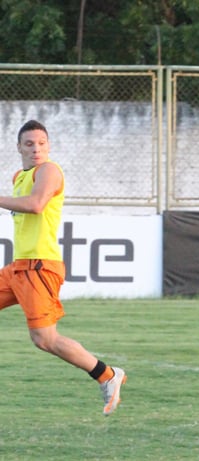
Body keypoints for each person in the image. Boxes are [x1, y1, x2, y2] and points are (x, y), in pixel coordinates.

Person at [0, 120, 126, 415]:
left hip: (40, 269)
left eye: (42, 143)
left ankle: (107, 375)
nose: (36, 149)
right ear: (18, 147)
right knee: (43, 338)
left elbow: (36, 204)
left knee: (45, 339)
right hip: (19, 268)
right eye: (29, 144)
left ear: (49, 146)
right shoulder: (20, 175)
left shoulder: (50, 171)